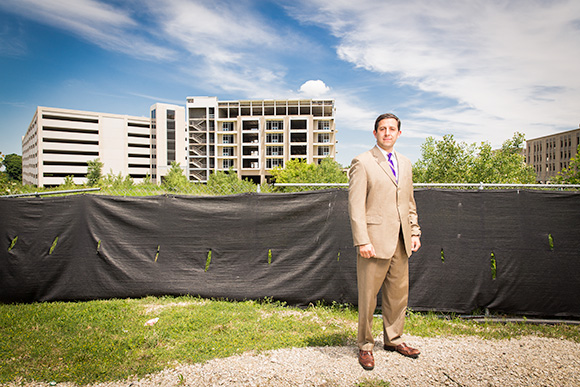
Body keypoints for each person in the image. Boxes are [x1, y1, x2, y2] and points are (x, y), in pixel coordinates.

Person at [348, 113, 422, 371]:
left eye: (392, 129)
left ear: (399, 133)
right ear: (375, 133)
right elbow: (356, 206)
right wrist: (362, 240)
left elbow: (409, 202)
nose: (387, 133)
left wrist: (415, 232)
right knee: (368, 298)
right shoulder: (362, 162)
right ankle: (365, 346)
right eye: (382, 129)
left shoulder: (406, 163)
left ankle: (393, 339)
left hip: (401, 241)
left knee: (398, 296)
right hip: (374, 243)